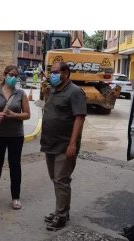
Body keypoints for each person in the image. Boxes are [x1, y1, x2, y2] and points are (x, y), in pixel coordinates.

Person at [40, 61, 87, 231]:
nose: (51, 75)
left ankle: (61, 215)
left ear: (66, 73)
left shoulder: (75, 92)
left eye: (55, 72)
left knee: (61, 180)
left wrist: (72, 144)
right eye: (51, 72)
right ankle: (62, 211)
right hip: (50, 143)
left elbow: (79, 118)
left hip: (64, 144)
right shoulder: (53, 89)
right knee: (56, 179)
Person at [0, 65, 31, 209]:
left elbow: (27, 114)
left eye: (15, 76)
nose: (13, 78)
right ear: (4, 75)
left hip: (16, 136)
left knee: (15, 166)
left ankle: (15, 197)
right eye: (11, 74)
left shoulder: (21, 93)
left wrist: (15, 115)